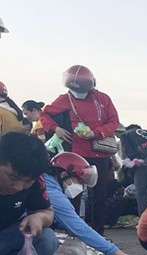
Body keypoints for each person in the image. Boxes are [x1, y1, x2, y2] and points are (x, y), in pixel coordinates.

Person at [40, 65, 120, 235]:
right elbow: (44, 114)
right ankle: (74, 232)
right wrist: (56, 129)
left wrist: (96, 133)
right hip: (76, 155)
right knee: (73, 193)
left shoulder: (103, 99)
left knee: (99, 196)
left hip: (100, 153)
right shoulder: (64, 99)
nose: (78, 95)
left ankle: (97, 232)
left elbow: (114, 121)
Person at [47, 153, 144, 255]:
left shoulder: (46, 183)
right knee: (47, 238)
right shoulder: (53, 193)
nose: (81, 187)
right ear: (63, 174)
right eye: (79, 181)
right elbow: (79, 228)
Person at [0, 132, 59, 255]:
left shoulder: (35, 181)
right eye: (12, 177)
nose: (18, 187)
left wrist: (39, 217)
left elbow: (48, 212)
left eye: (27, 181)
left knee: (47, 237)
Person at [119, 124, 147, 215]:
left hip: (143, 164)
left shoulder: (126, 134)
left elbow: (128, 150)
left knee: (142, 193)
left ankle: (144, 221)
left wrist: (135, 159)